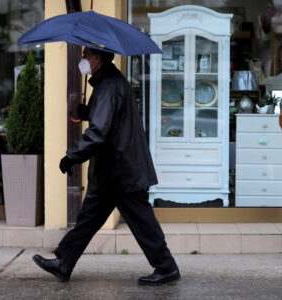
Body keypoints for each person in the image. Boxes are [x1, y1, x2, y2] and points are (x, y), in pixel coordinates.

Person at [32, 47, 180, 285]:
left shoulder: (109, 85)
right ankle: (64, 262)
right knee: (89, 218)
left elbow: (100, 131)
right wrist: (87, 111)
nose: (82, 61)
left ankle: (166, 267)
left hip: (122, 170)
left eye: (85, 56)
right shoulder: (107, 82)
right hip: (114, 169)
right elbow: (108, 118)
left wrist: (71, 156)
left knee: (142, 222)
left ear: (97, 59)